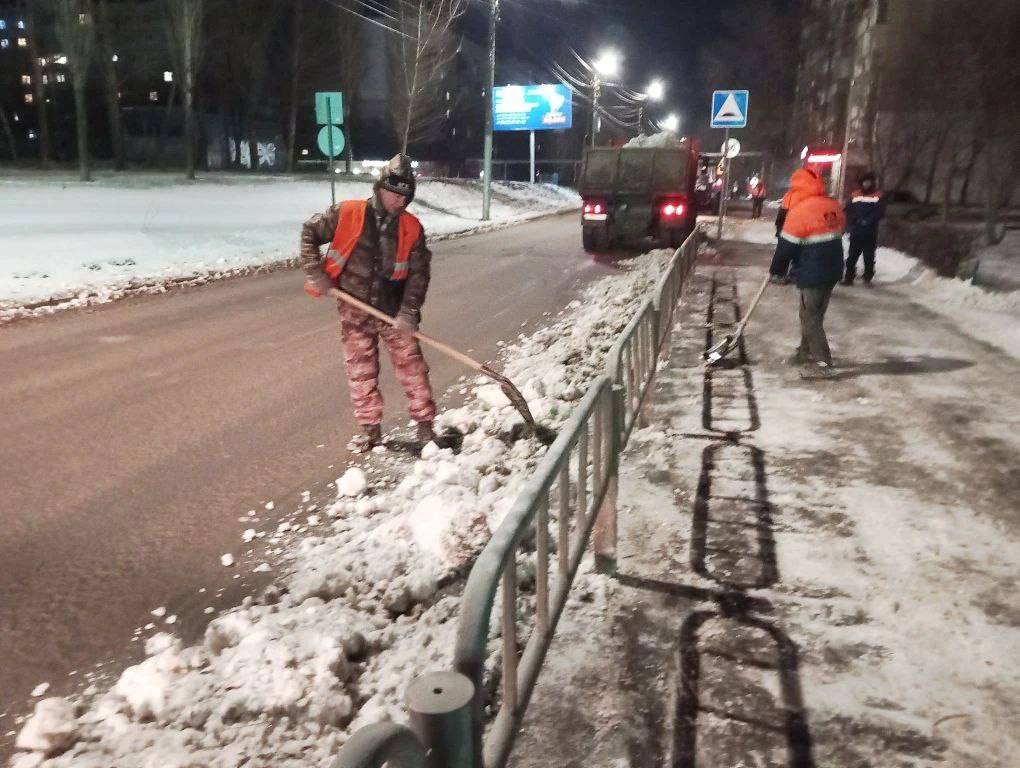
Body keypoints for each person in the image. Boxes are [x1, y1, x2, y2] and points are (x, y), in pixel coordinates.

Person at [301, 153, 437, 453]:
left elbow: (418, 274)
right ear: (380, 187)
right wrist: (315, 273)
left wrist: (409, 312)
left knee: (413, 368)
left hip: (392, 310)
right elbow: (309, 232)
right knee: (360, 371)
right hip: (353, 307)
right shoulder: (348, 213)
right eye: (394, 193)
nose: (398, 201)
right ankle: (370, 431)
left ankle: (425, 427)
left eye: (405, 196)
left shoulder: (411, 228)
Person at [769, 168, 846, 376]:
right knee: (814, 314)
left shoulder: (800, 211)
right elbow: (840, 230)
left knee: (810, 317)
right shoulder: (833, 205)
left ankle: (823, 362)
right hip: (833, 268)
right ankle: (805, 352)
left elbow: (785, 247)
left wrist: (776, 270)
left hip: (813, 269)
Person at [843, 171, 884, 285]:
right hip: (856, 232)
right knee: (852, 257)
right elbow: (848, 209)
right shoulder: (855, 194)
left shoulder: (878, 195)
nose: (866, 184)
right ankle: (849, 278)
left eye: (869, 182)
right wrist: (854, 220)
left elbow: (879, 212)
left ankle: (867, 278)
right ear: (861, 183)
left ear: (872, 183)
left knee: (869, 258)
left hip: (870, 232)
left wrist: (867, 221)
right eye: (865, 182)